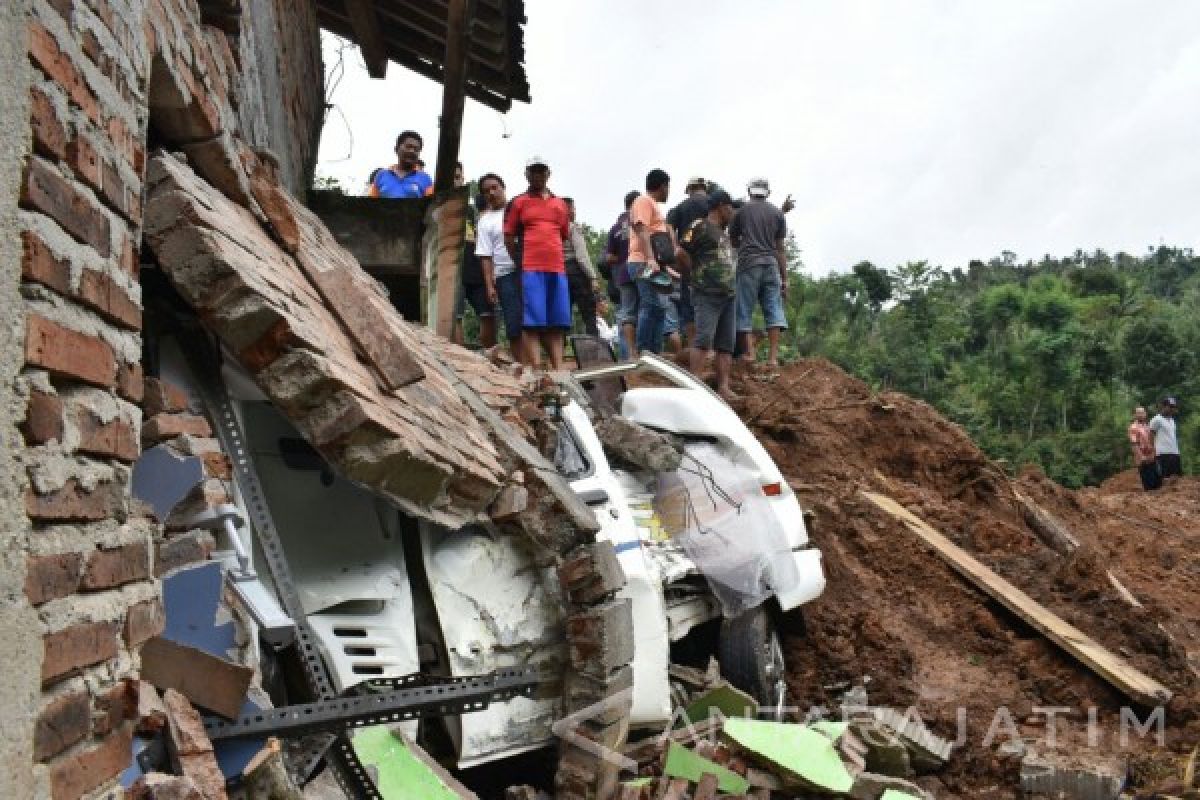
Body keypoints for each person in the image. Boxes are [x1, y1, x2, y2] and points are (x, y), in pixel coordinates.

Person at [504, 156, 571, 370]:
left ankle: (559, 369)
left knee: (557, 321)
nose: (538, 175)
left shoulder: (560, 204)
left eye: (542, 171)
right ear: (527, 175)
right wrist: (518, 260)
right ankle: (537, 366)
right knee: (531, 320)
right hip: (530, 268)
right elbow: (508, 236)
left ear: (548, 174)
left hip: (557, 268)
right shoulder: (518, 202)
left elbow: (563, 234)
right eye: (534, 171)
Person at [677, 190, 739, 403]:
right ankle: (693, 383)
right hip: (707, 293)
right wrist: (694, 274)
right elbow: (680, 252)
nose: (732, 211)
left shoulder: (723, 232)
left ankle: (724, 387)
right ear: (721, 205)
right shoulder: (699, 226)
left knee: (726, 344)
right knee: (703, 339)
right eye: (730, 207)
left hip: (729, 294)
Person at [729, 177, 789, 366]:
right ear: (768, 193)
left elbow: (733, 240)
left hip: (749, 264)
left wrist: (745, 244)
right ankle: (772, 358)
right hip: (771, 264)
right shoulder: (777, 214)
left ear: (749, 192)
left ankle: (751, 354)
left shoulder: (741, 212)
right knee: (773, 310)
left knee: (744, 309)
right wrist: (785, 279)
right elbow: (780, 248)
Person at [628, 169, 675, 355]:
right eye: (668, 187)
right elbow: (641, 229)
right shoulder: (643, 201)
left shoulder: (652, 204)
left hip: (652, 263)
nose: (669, 191)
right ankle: (644, 352)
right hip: (642, 262)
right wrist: (649, 259)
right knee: (651, 304)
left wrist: (664, 266)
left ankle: (655, 353)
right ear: (662, 186)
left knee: (659, 307)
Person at [476, 172, 522, 358]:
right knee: (514, 324)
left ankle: (543, 365)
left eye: (495, 187)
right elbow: (485, 255)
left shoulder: (518, 208)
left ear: (503, 188)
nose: (492, 193)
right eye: (486, 191)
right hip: (504, 275)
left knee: (537, 322)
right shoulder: (484, 221)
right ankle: (524, 366)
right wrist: (489, 285)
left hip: (528, 271)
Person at [453, 163, 497, 348]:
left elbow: (482, 241)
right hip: (452, 271)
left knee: (489, 314)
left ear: (463, 179)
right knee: (456, 316)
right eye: (452, 177)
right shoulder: (435, 206)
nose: (456, 181)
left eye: (458, 177)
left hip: (477, 269)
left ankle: (489, 358)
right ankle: (458, 358)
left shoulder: (472, 211)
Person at [665, 176, 710, 350]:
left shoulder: (679, 208)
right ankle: (710, 350)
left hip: (687, 261)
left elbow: (668, 228)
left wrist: (676, 248)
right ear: (704, 187)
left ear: (689, 189)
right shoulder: (714, 203)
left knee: (689, 307)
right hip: (713, 263)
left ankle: (693, 349)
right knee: (712, 305)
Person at [606, 191, 640, 359]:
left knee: (627, 314)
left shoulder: (616, 227)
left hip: (623, 275)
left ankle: (628, 356)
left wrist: (622, 257)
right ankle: (644, 353)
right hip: (643, 271)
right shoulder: (642, 220)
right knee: (646, 311)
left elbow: (609, 257)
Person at [562, 198, 601, 336]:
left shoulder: (553, 229)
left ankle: (559, 350)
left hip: (559, 273)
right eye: (573, 208)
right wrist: (592, 277)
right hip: (576, 272)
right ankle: (593, 350)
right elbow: (582, 256)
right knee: (589, 314)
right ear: (568, 210)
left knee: (563, 314)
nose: (575, 212)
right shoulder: (572, 227)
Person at [367, 131, 433, 198]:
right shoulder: (381, 175)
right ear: (396, 149)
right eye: (408, 147)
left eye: (416, 149)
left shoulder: (425, 179)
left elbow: (431, 207)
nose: (412, 151)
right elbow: (370, 204)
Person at [1128, 406, 1161, 491]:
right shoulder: (1133, 427)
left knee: (1158, 482)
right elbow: (1134, 444)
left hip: (1152, 457)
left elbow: (1153, 441)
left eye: (1142, 412)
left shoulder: (1148, 426)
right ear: (1135, 415)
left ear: (1145, 414)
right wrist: (1141, 457)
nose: (1141, 415)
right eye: (1138, 413)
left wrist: (1154, 454)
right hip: (1143, 460)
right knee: (1149, 484)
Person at [1149, 397, 1182, 479]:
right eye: (1170, 407)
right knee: (1165, 478)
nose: (1172, 409)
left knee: (1176, 478)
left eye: (1173, 407)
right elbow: (1151, 435)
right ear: (1163, 406)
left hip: (1174, 452)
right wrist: (1153, 450)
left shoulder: (1172, 420)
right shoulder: (1156, 419)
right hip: (1163, 453)